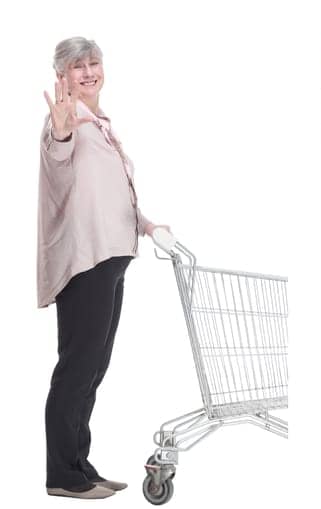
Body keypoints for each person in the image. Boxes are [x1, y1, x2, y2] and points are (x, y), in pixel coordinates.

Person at [38, 36, 169, 500]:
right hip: (85, 261)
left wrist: (148, 225)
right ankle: (62, 476)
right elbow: (57, 160)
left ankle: (80, 464)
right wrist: (59, 130)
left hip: (114, 257)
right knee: (76, 368)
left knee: (94, 368)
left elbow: (111, 193)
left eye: (94, 62)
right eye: (78, 66)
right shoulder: (67, 121)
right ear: (62, 76)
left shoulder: (101, 125)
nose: (89, 71)